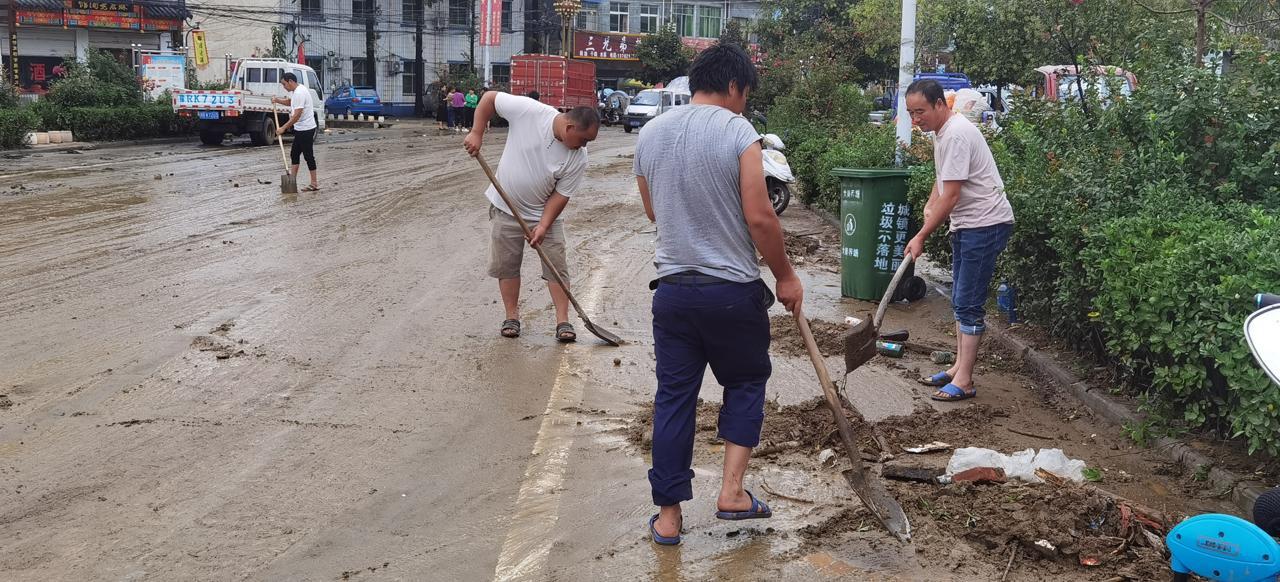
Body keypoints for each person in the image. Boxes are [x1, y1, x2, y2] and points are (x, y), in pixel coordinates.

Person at [633, 43, 803, 546]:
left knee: (674, 401)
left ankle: (668, 518)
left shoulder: (651, 132)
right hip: (732, 293)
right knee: (747, 383)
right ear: (734, 86)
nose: (745, 104)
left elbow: (653, 212)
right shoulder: (737, 131)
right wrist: (786, 277)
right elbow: (759, 217)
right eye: (746, 94)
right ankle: (731, 493)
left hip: (674, 294)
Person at [903, 78, 1015, 402]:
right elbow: (943, 182)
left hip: (985, 223)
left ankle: (964, 380)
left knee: (968, 302)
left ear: (940, 104)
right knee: (959, 299)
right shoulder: (943, 133)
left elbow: (951, 196)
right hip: (968, 224)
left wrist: (921, 235)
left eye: (920, 111)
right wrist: (928, 203)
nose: (915, 120)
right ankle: (957, 367)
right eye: (911, 113)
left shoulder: (956, 134)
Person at [463, 92, 601, 342]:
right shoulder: (530, 112)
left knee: (556, 267)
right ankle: (511, 317)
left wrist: (544, 225)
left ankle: (563, 321)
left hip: (543, 214)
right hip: (506, 208)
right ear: (569, 127)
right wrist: (477, 133)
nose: (584, 146)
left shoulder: (578, 157)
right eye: (583, 140)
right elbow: (489, 99)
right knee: (507, 265)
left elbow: (560, 195)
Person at [270, 73, 320, 192]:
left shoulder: (299, 92)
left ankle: (314, 183)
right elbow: (291, 102)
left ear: (291, 81)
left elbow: (297, 115)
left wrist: (283, 128)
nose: (284, 87)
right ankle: (292, 181)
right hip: (300, 128)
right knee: (294, 154)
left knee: (308, 156)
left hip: (306, 129)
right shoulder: (298, 90)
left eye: (284, 84)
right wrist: (277, 100)